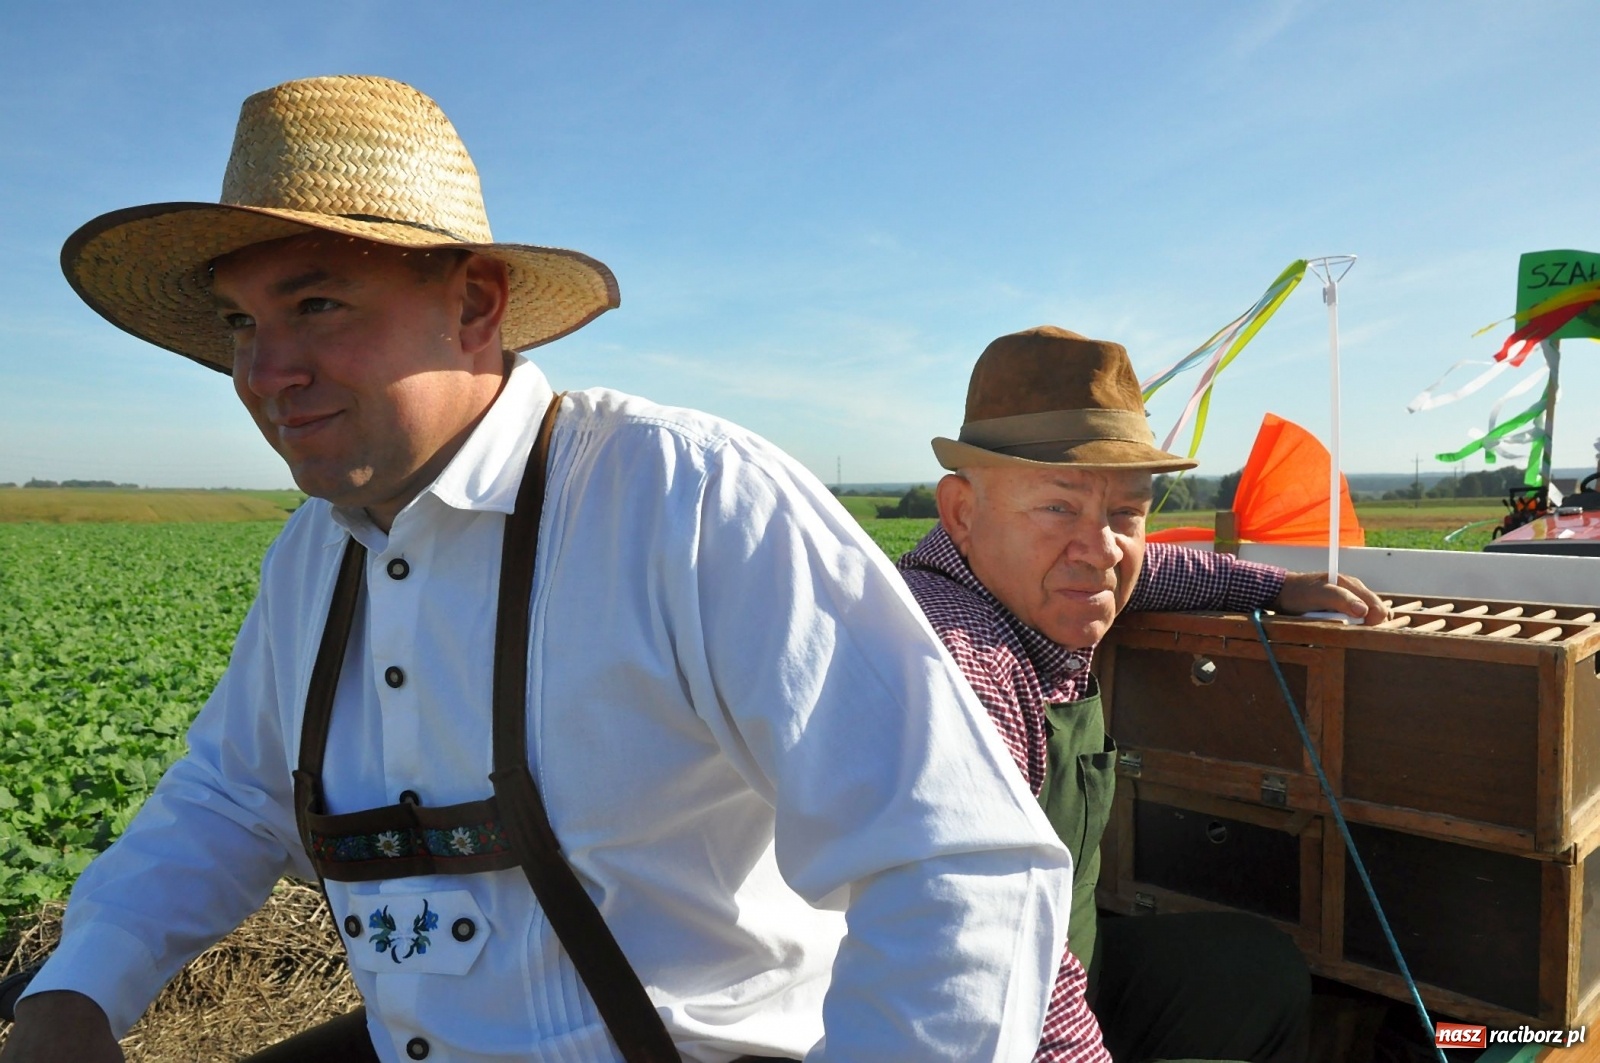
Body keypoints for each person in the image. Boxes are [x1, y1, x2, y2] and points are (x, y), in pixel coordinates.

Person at [2, 77, 1097, 1063]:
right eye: (243, 323)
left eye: (317, 304)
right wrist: (80, 985)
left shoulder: (685, 498)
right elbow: (231, 797)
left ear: (475, 304)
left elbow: (961, 867)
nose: (265, 371)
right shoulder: (312, 554)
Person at [898, 326, 1391, 1063]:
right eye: (1060, 507)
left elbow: (1151, 570)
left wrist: (1279, 587)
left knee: (1259, 967)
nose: (1102, 547)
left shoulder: (1036, 582)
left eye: (1127, 511)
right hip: (972, 1017)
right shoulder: (961, 662)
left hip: (1071, 956)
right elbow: (1000, 953)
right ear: (963, 511)